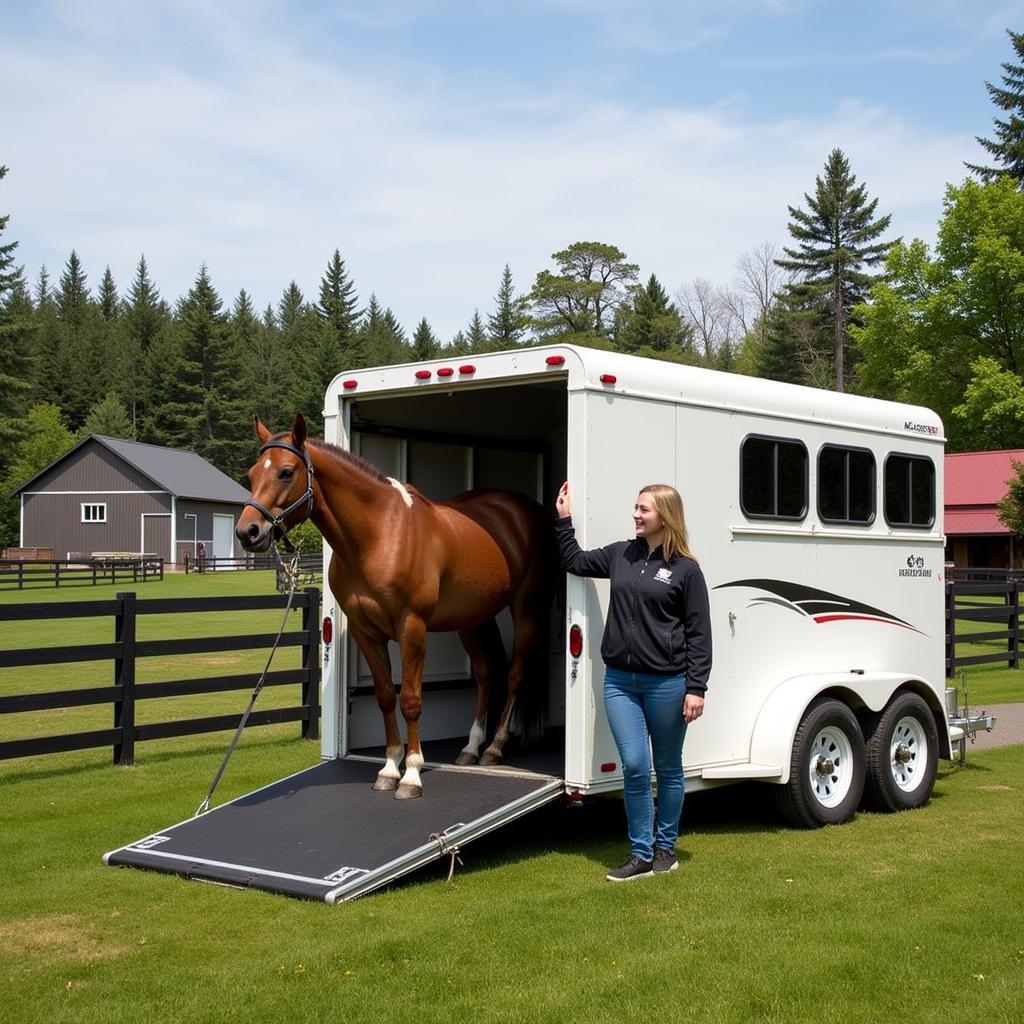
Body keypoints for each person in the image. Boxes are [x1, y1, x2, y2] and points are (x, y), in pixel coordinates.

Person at [555, 481, 711, 881]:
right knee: (635, 766)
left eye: (644, 509)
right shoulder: (621, 554)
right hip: (620, 683)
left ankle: (665, 848)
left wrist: (696, 688)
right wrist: (563, 520)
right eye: (636, 508)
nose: (636, 515)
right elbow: (575, 561)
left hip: (667, 685)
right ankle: (641, 854)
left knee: (668, 768)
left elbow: (699, 633)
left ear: (665, 517)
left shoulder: (686, 571)